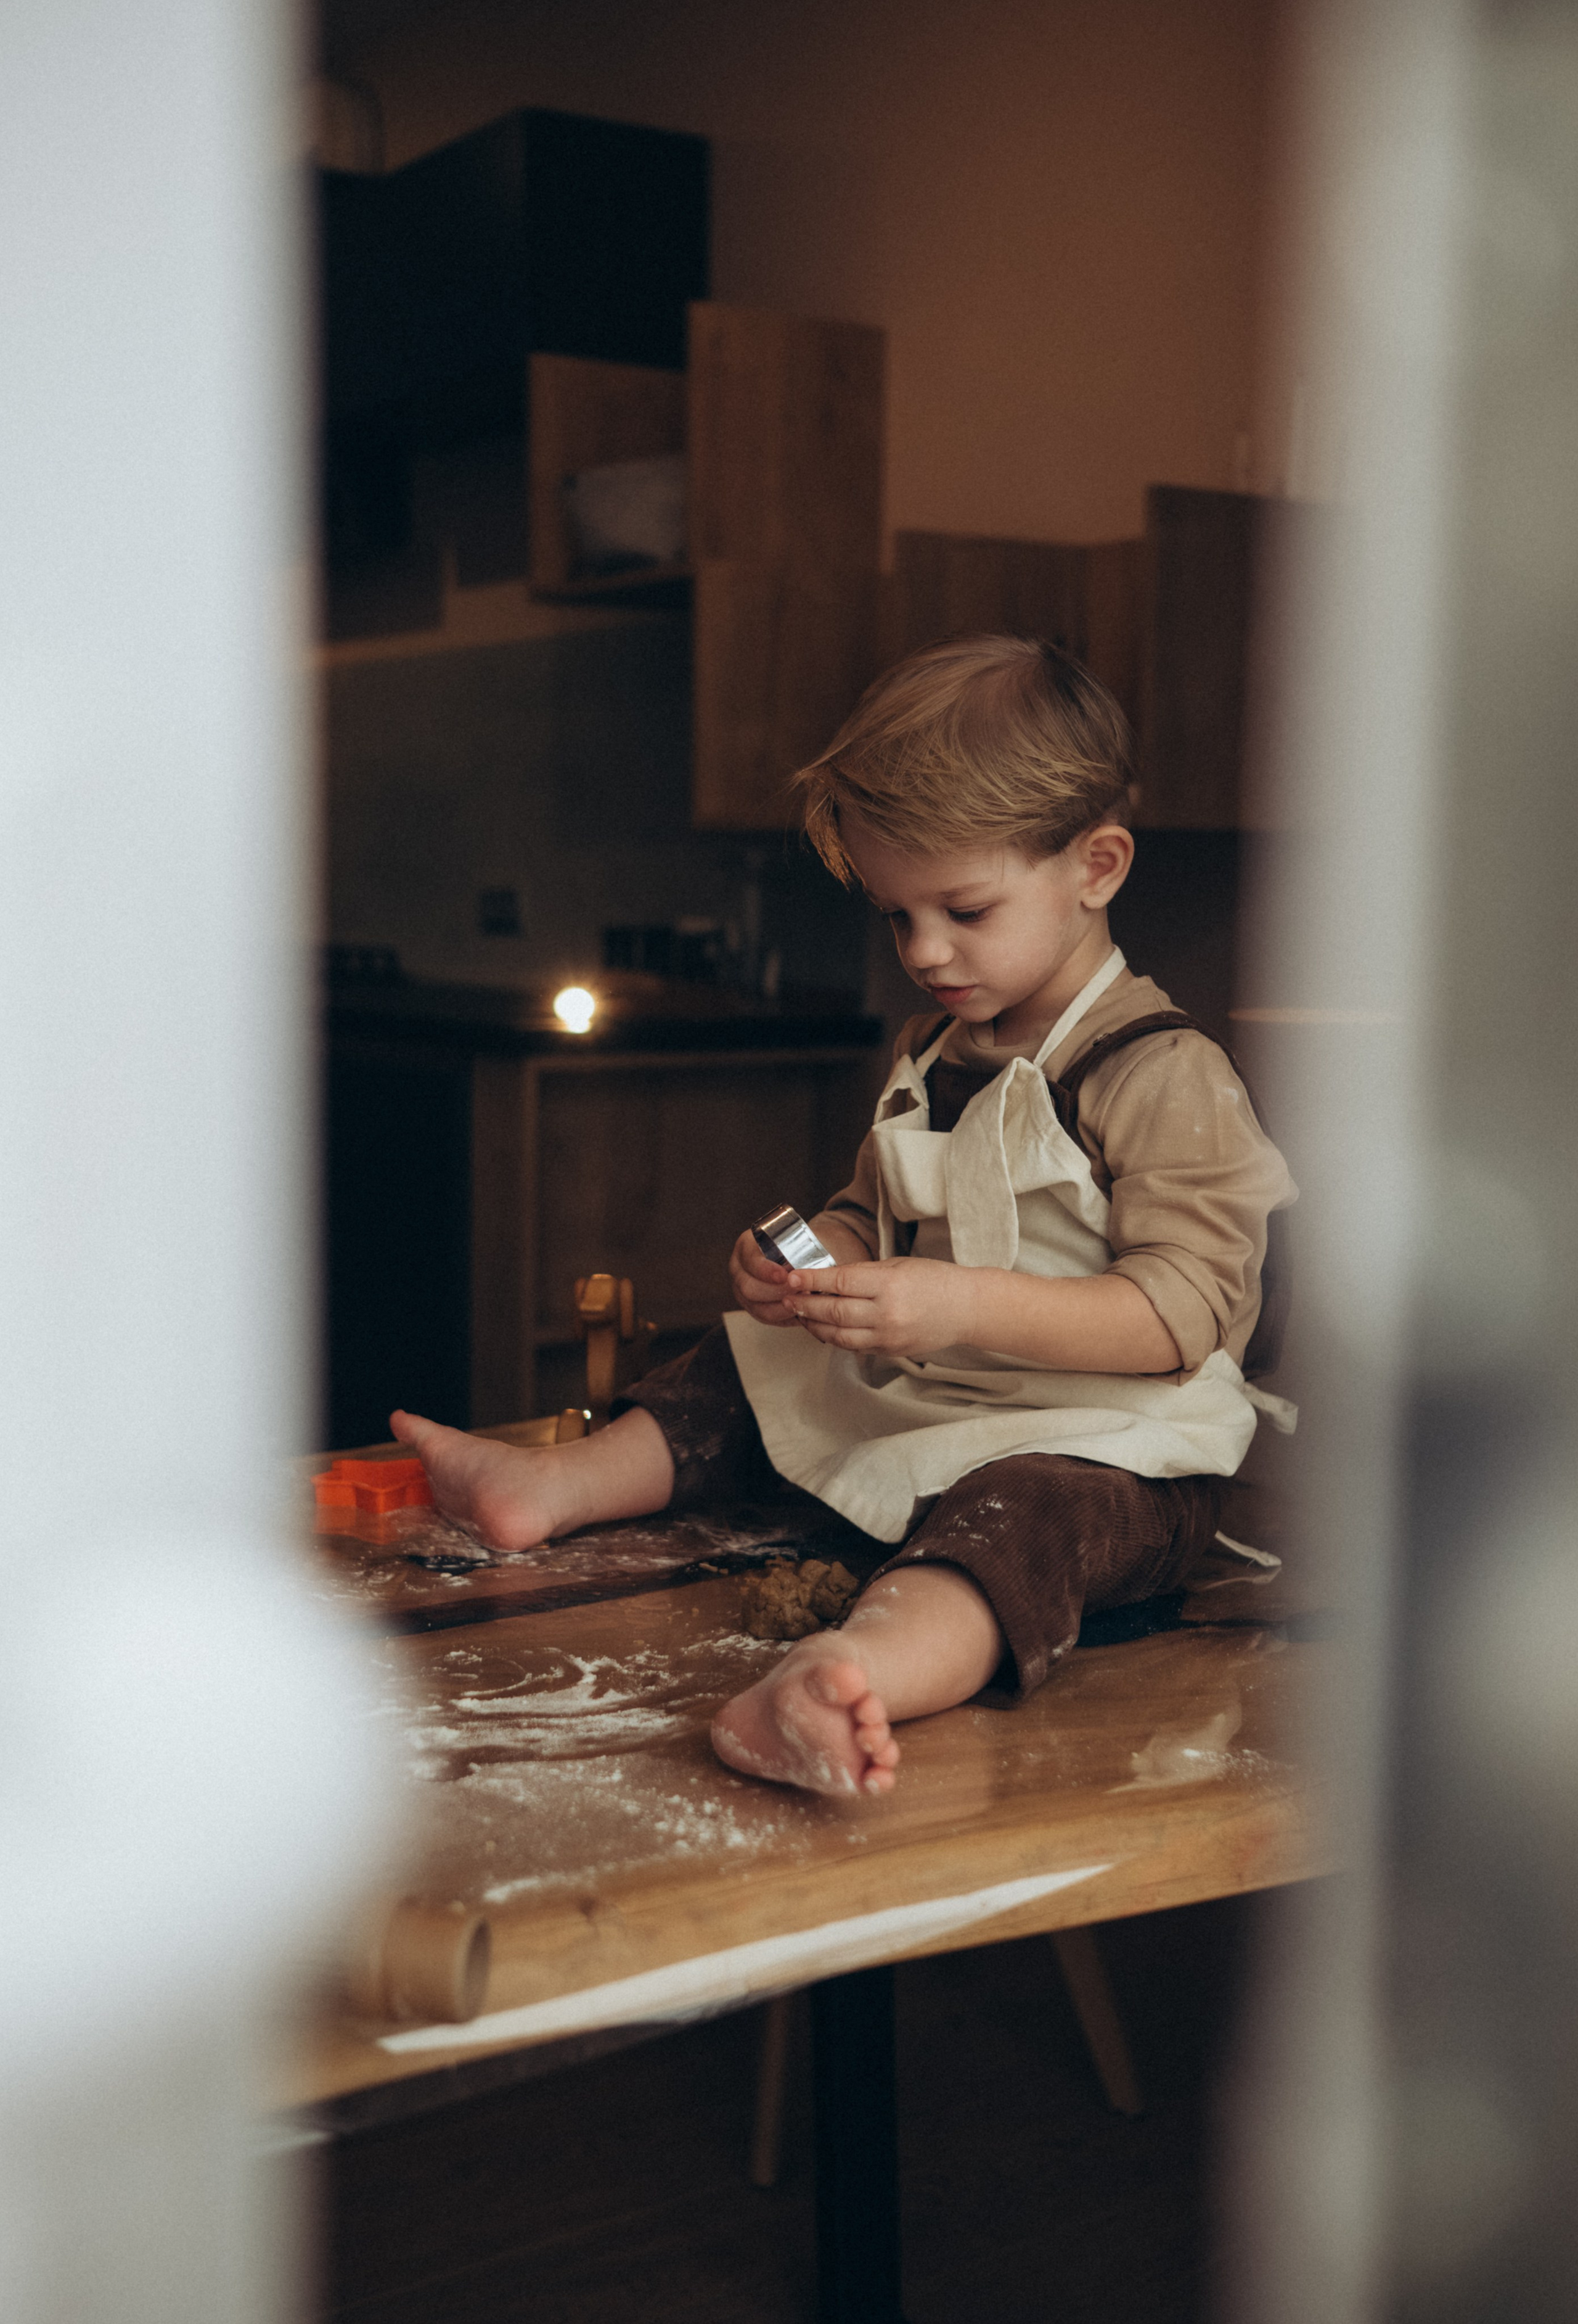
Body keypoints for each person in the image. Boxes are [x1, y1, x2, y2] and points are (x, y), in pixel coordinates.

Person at [393, 636, 1296, 1799]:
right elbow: (874, 1209)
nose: (924, 951)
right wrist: (816, 1264)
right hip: (942, 1394)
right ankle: (553, 1488)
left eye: (964, 908)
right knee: (744, 1352)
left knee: (1010, 1527)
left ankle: (853, 1667)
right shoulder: (933, 1048)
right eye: (895, 916)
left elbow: (1185, 1316)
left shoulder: (1163, 1070)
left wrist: (958, 1305)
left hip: (1116, 1453)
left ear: (1098, 865)